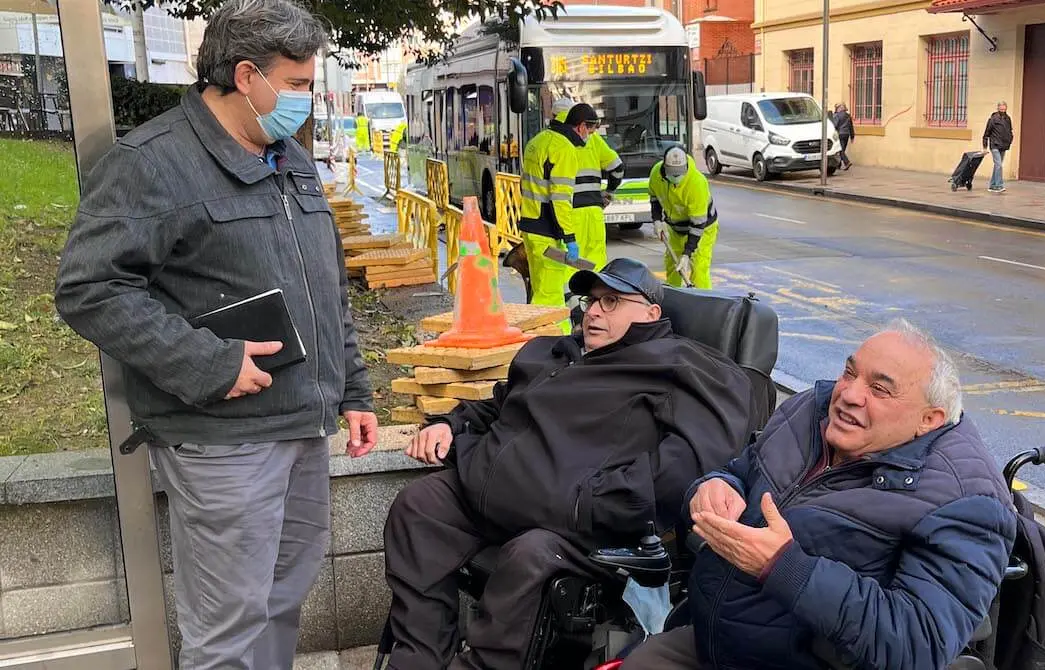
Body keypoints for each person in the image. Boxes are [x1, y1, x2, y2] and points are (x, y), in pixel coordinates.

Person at [53, 1, 378, 668]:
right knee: (227, 631)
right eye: (296, 84)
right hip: (225, 442)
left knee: (282, 602)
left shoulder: (291, 159)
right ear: (245, 75)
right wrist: (209, 362)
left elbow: (326, 287)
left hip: (303, 427)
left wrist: (354, 389)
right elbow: (90, 288)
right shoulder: (152, 163)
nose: (306, 99)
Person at [383, 258, 754, 670]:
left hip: (573, 523)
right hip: (492, 490)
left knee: (531, 557)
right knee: (417, 507)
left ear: (651, 313)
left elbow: (689, 464)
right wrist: (451, 425)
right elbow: (501, 405)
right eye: (591, 300)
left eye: (611, 301)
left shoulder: (677, 366)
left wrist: (590, 504)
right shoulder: (560, 354)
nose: (593, 311)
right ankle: (418, 659)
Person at [623, 319, 1018, 670]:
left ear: (928, 420)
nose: (847, 394)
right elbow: (742, 469)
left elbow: (919, 642)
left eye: (879, 389)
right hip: (715, 638)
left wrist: (783, 565)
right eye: (850, 373)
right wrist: (714, 486)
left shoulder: (967, 503)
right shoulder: (808, 413)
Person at [517, 102, 598, 319]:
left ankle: (538, 339)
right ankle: (552, 343)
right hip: (546, 230)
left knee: (540, 288)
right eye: (591, 130)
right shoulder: (564, 149)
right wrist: (569, 237)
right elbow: (560, 199)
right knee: (550, 297)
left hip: (531, 224)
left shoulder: (539, 140)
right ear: (581, 127)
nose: (590, 136)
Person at [552, 98, 625, 269]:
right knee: (596, 260)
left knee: (571, 263)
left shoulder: (556, 138)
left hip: (570, 211)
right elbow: (617, 168)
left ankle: (573, 295)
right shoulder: (594, 139)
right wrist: (609, 192)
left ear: (554, 115)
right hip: (594, 211)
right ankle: (596, 294)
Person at [648, 145, 719, 289]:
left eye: (679, 173)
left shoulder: (697, 183)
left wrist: (687, 254)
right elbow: (655, 198)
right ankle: (673, 297)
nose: (676, 178)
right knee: (673, 265)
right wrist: (657, 221)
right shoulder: (656, 173)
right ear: (665, 167)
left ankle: (703, 303)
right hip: (675, 227)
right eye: (672, 173)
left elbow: (698, 225)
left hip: (702, 228)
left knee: (698, 267)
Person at [983, 101, 1014, 193]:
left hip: (1004, 145)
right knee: (999, 165)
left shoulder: (1008, 119)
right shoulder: (993, 119)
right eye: (1001, 109)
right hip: (995, 145)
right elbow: (986, 134)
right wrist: (985, 147)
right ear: (998, 108)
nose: (1003, 111)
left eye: (1004, 109)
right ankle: (999, 185)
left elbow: (1010, 130)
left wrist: (1010, 140)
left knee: (997, 166)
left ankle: (992, 185)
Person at [831, 102, 855, 170]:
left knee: (840, 150)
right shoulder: (848, 116)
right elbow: (851, 126)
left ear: (839, 108)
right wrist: (852, 136)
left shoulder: (837, 115)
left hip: (840, 134)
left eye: (836, 108)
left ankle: (847, 162)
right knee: (842, 149)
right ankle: (838, 164)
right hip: (846, 134)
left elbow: (835, 125)